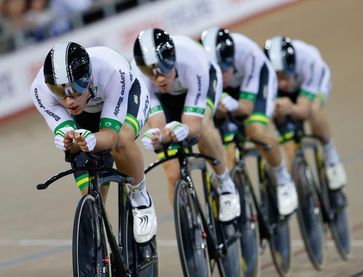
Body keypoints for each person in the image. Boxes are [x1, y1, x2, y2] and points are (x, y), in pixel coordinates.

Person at [30, 41, 157, 243]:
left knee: (121, 142)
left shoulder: (113, 72)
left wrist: (93, 138)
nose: (69, 100)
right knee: (91, 195)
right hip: (86, 113)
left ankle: (140, 197)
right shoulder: (40, 90)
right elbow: (69, 136)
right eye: (60, 92)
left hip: (124, 98)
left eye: (76, 88)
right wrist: (69, 139)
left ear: (88, 78)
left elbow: (110, 135)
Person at [133, 28, 240, 222]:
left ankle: (225, 186)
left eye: (162, 70)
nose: (158, 79)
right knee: (173, 174)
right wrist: (158, 136)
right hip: (165, 98)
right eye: (151, 73)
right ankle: (188, 228)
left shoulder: (193, 62)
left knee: (204, 128)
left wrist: (183, 129)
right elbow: (157, 123)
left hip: (201, 84)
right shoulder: (139, 75)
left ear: (171, 60)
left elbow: (194, 126)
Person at [199, 27, 298, 216]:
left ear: (231, 62)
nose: (221, 76)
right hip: (225, 93)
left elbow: (246, 107)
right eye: (216, 72)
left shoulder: (248, 53)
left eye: (224, 70)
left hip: (258, 84)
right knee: (221, 144)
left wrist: (230, 105)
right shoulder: (200, 63)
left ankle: (283, 179)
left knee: (255, 131)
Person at [264, 36, 347, 190]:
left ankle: (331, 155)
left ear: (292, 66)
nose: (282, 82)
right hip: (284, 94)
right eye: (277, 77)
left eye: (284, 76)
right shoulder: (264, 70)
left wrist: (292, 109)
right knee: (287, 145)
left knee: (314, 110)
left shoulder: (309, 60)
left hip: (311, 83)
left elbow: (305, 110)